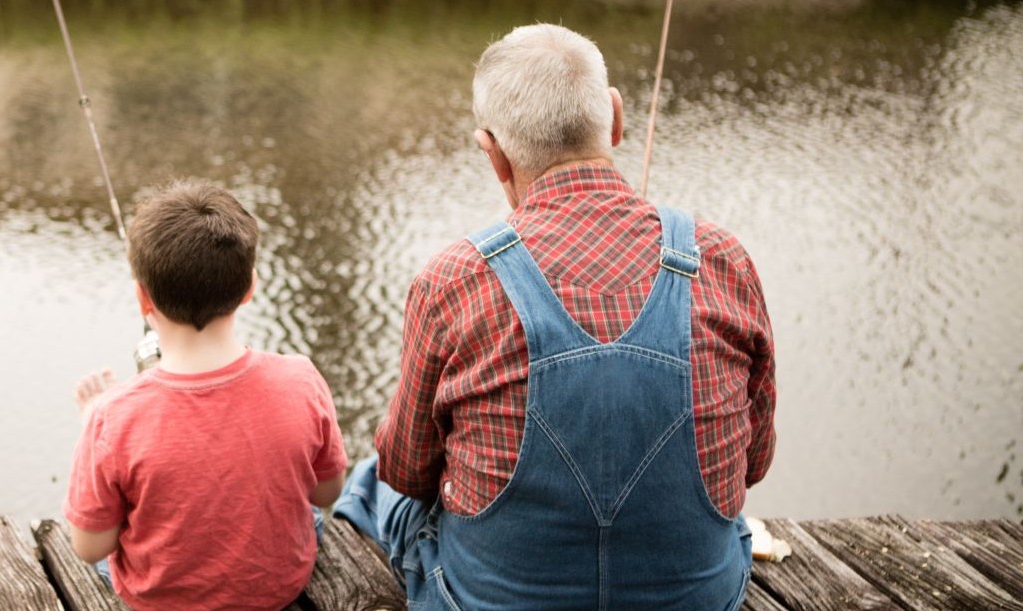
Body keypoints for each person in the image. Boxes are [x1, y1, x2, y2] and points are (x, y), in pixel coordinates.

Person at [333, 24, 777, 610]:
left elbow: (409, 472)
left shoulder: (453, 280)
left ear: (492, 153)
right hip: (699, 599)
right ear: (614, 118)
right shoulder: (722, 260)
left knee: (370, 479)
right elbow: (755, 461)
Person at [64, 179, 349, 611]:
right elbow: (326, 494)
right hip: (277, 588)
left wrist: (92, 427)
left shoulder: (112, 416)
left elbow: (89, 546)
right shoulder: (301, 378)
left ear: (143, 298)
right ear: (249, 287)